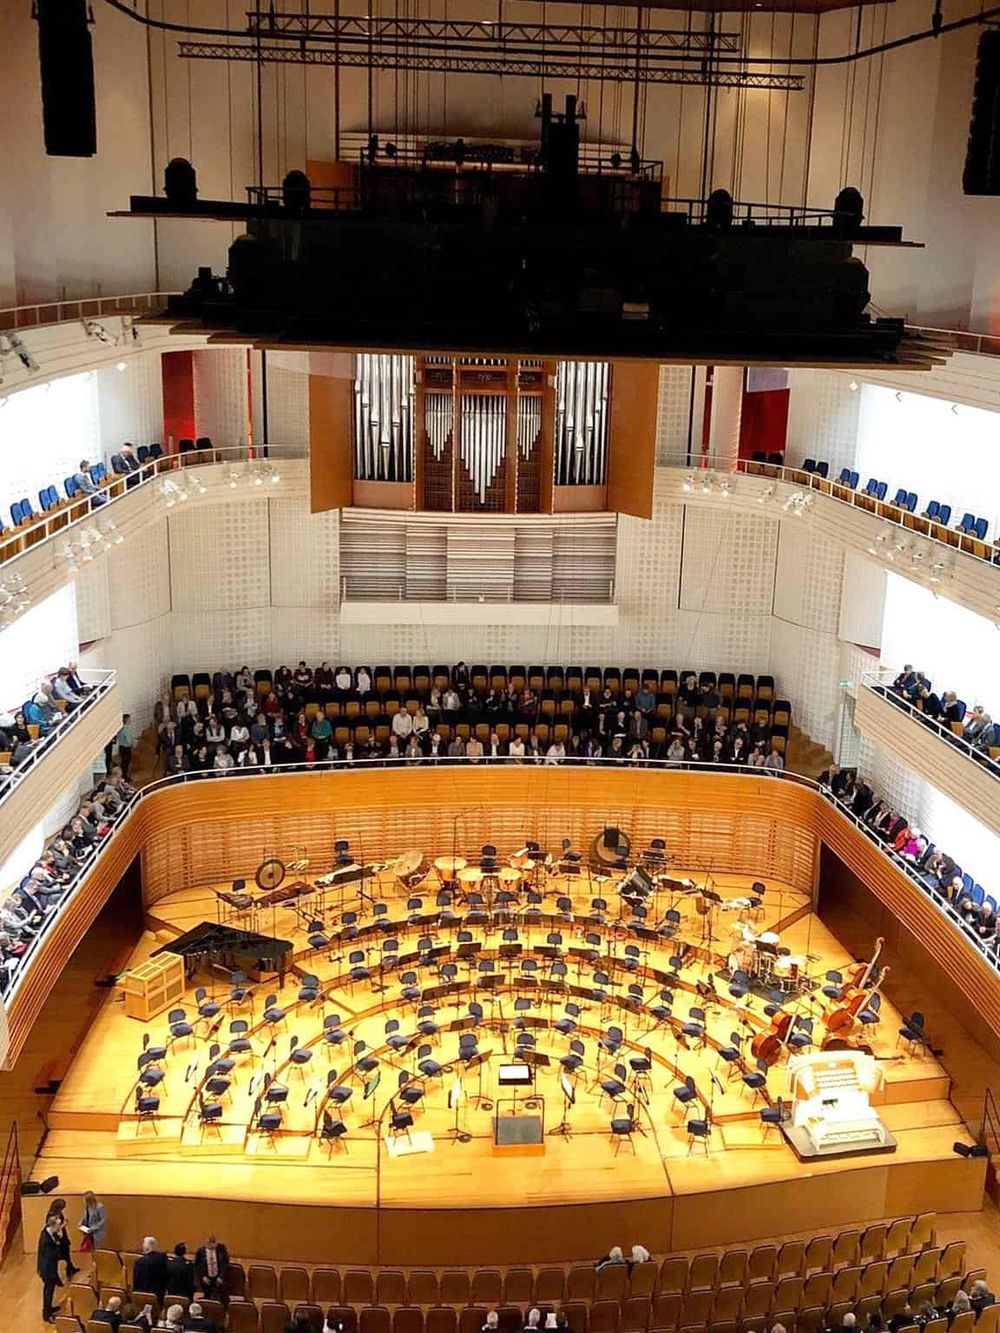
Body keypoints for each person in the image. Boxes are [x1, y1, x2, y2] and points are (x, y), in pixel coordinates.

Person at [194, 1234, 230, 1303]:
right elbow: (197, 1265)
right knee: (207, 1296)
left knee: (223, 1297)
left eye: (211, 1244)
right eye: (207, 1244)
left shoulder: (221, 1250)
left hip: (219, 1277)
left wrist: (221, 1276)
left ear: (215, 1244)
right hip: (206, 1277)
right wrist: (203, 1276)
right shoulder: (201, 1251)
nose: (209, 1246)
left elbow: (225, 1263)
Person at [134, 1236, 169, 1303]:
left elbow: (136, 1279)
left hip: (142, 1294)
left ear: (145, 1247)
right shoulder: (162, 1258)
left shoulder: (139, 1261)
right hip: (158, 1295)